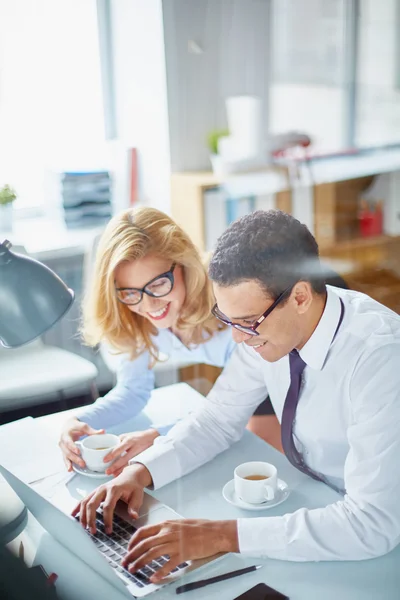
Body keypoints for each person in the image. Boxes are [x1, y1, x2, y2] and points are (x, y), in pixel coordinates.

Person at [74, 209, 400, 579]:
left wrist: (220, 535)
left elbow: (373, 524)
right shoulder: (269, 330)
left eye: (246, 323)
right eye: (227, 320)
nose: (237, 339)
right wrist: (138, 471)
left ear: (301, 297)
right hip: (322, 505)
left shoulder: (381, 358)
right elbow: (216, 420)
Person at [59, 207, 281, 476]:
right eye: (130, 292)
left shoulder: (227, 296)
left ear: (184, 263)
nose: (149, 304)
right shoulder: (135, 317)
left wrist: (158, 435)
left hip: (277, 371)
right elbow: (132, 390)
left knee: (263, 460)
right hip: (244, 389)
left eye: (158, 284)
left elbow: (229, 414)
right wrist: (78, 420)